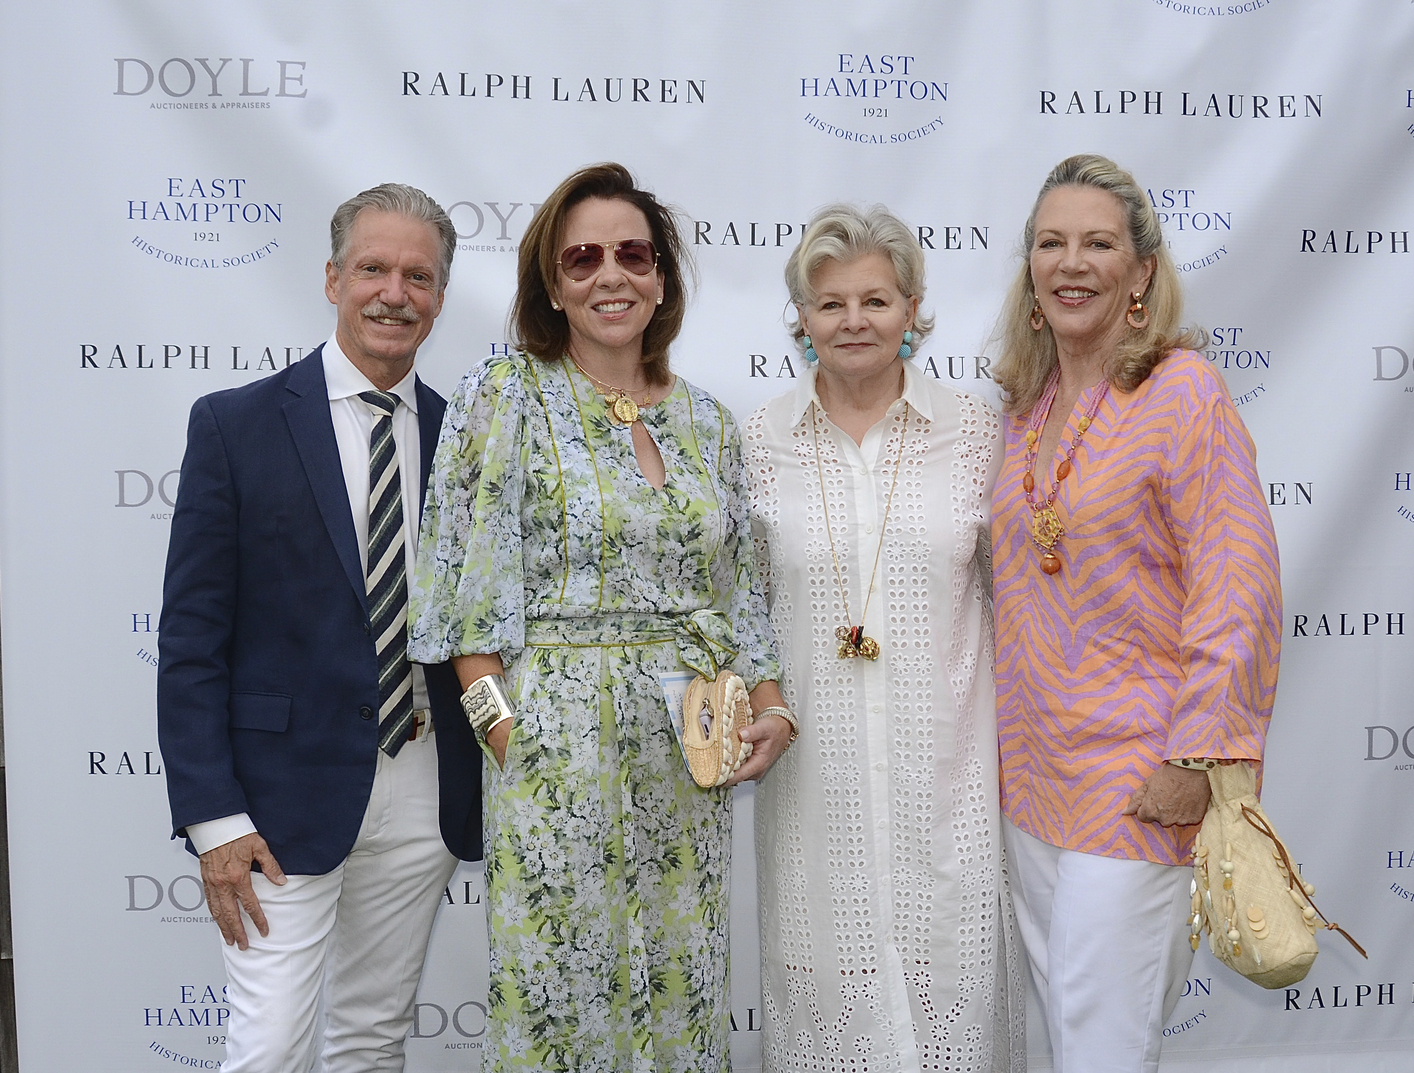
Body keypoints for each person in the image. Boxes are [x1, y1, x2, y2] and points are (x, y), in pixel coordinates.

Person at [407, 162, 791, 1072]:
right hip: (555, 754)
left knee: (680, 987)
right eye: (581, 258)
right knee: (558, 1003)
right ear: (552, 282)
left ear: (662, 277)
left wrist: (770, 707)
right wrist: (511, 742)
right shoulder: (504, 395)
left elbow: (739, 591)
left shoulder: (706, 422)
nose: (608, 275)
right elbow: (466, 605)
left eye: (632, 254)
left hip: (689, 751)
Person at [156, 183, 482, 1073]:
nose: (395, 292)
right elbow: (189, 641)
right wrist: (214, 817)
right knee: (267, 1048)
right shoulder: (235, 424)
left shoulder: (468, 440)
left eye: (419, 276)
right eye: (374, 268)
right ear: (333, 277)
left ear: (441, 300)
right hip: (274, 804)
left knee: (372, 1039)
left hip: (423, 784)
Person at [989, 154, 1282, 1073]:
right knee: (1071, 1038)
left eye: (1098, 243)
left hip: (1143, 781)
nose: (1072, 262)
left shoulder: (1183, 392)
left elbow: (1239, 586)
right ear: (1031, 271)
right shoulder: (1025, 409)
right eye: (1051, 243)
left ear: (1142, 272)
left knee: (1103, 1051)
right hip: (1032, 785)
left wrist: (1198, 759)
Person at [743, 205, 1027, 1073]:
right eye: (830, 304)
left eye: (875, 299)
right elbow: (740, 617)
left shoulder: (978, 434)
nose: (853, 321)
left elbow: (1026, 609)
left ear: (912, 309)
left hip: (951, 791)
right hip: (812, 798)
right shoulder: (756, 443)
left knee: (957, 1018)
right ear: (800, 320)